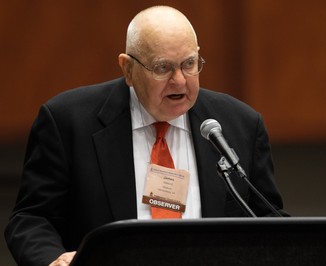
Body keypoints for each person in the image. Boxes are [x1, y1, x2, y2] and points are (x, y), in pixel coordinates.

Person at [5, 5, 287, 266]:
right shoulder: (68, 122)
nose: (179, 80)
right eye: (162, 68)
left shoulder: (239, 125)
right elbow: (31, 218)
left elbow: (271, 224)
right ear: (128, 69)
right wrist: (53, 259)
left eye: (189, 63)